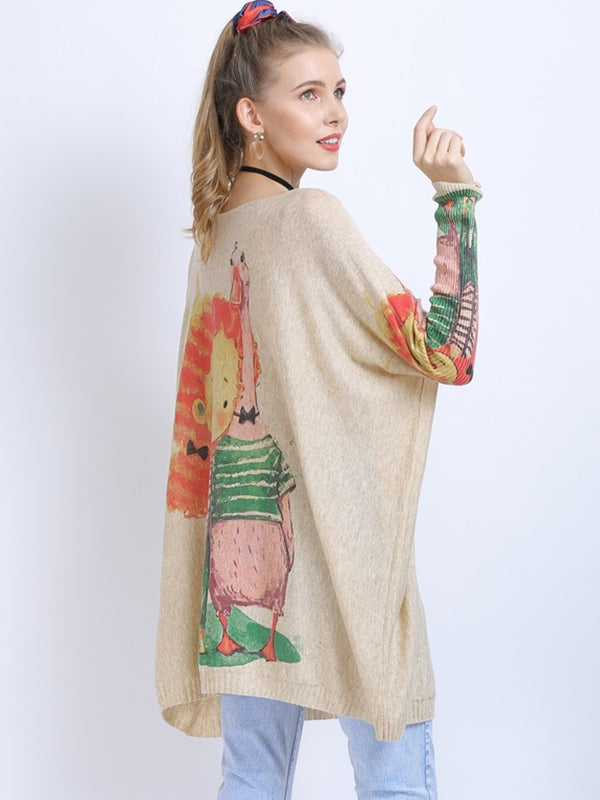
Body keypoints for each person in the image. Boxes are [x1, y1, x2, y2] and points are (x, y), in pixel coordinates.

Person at [156, 3, 481, 798]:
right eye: (308, 94)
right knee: (395, 778)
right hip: (338, 556)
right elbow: (448, 351)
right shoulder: (309, 217)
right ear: (251, 115)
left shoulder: (216, 240)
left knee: (250, 778)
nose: (336, 114)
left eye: (339, 91)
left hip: (237, 575)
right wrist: (455, 199)